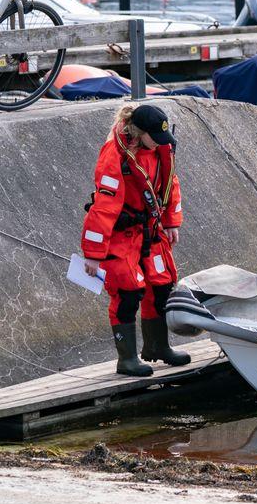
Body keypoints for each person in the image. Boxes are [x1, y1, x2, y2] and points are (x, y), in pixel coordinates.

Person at [81, 104, 190, 377]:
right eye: (155, 137)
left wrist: (171, 222)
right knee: (128, 293)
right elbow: (104, 205)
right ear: (140, 133)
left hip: (151, 230)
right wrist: (93, 253)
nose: (160, 143)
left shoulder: (160, 148)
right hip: (122, 235)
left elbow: (170, 183)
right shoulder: (115, 155)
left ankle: (157, 347)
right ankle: (126, 359)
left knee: (162, 286)